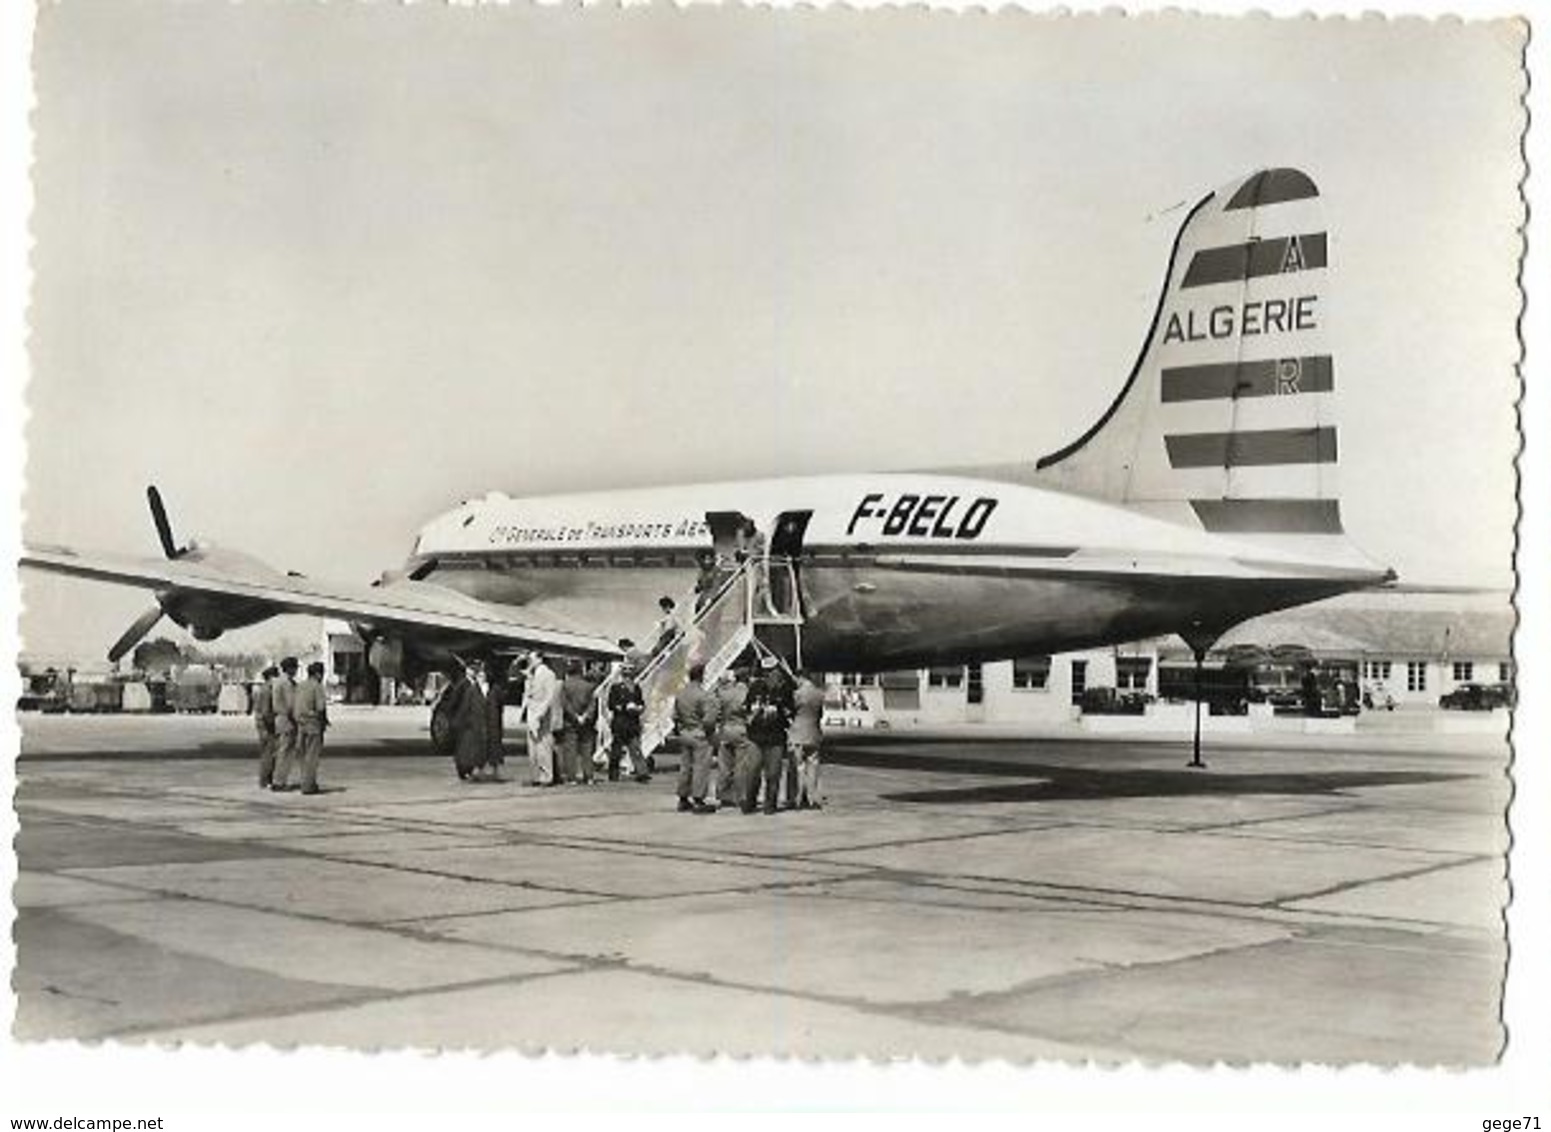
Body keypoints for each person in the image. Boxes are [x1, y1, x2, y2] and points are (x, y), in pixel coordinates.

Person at [745, 655, 795, 814]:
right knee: (753, 771)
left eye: (772, 671)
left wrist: (780, 710)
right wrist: (754, 712)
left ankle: (770, 803)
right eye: (766, 672)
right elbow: (746, 708)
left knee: (773, 773)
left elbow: (791, 711)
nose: (769, 675)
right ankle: (750, 801)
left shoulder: (785, 689)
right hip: (756, 736)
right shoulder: (755, 688)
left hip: (776, 737)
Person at [672, 663, 718, 813]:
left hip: (685, 733)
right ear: (701, 676)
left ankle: (683, 798)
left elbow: (675, 716)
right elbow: (709, 720)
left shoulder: (681, 694)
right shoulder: (704, 695)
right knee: (700, 767)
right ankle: (698, 798)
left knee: (685, 767)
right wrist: (709, 733)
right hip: (699, 734)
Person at [435, 661, 489, 782]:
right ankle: (463, 770)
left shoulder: (473, 684)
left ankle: (469, 770)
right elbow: (454, 702)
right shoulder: (462, 684)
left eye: (475, 670)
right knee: (462, 747)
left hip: (471, 720)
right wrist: (454, 719)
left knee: (469, 747)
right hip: (463, 720)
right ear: (467, 670)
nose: (474, 672)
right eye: (472, 669)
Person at [712, 662, 755, 811]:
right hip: (741, 729)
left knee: (724, 766)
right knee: (741, 766)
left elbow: (716, 712)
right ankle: (740, 796)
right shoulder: (748, 692)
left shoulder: (724, 692)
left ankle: (723, 795)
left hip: (725, 730)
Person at [606, 659, 648, 782]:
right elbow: (611, 704)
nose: (628, 674)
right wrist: (625, 707)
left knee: (636, 749)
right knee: (616, 751)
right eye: (626, 671)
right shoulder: (616, 688)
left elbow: (641, 702)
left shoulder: (636, 688)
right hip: (620, 721)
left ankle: (642, 773)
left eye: (630, 671)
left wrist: (640, 707)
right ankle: (613, 774)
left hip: (633, 722)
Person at [558, 659, 598, 784]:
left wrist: (575, 716)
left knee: (571, 750)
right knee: (587, 750)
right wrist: (586, 716)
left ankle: (572, 777)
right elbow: (593, 704)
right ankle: (589, 776)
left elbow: (565, 704)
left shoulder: (565, 685)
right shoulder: (589, 686)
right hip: (586, 722)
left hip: (570, 722)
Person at [522, 653, 560, 786]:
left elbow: (549, 697)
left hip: (541, 714)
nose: (529, 661)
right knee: (532, 748)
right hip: (531, 713)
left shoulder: (548, 674)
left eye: (531, 659)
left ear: (539, 659)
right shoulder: (531, 674)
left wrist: (540, 714)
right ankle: (536, 776)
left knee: (543, 746)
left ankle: (547, 776)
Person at [293, 661, 330, 795]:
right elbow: (320, 708)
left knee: (302, 756)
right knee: (312, 756)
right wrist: (324, 722)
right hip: (313, 724)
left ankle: (306, 782)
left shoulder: (300, 686)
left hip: (300, 724)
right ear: (318, 674)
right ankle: (308, 786)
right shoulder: (317, 687)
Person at [790, 670, 826, 809]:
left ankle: (799, 798)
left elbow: (792, 711)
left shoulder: (797, 694)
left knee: (799, 767)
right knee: (813, 767)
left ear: (801, 678)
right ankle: (813, 799)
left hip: (798, 733)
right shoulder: (819, 693)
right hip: (814, 733)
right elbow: (821, 714)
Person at [268, 657, 301, 791]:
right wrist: (298, 719)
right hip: (287, 720)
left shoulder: (278, 682)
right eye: (295, 667)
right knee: (285, 752)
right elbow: (290, 704)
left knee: (281, 751)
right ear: (290, 668)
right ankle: (279, 781)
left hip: (280, 719)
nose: (297, 670)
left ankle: (277, 779)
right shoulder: (287, 683)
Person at [253, 665, 279, 788]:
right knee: (268, 753)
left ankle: (266, 779)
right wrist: (272, 725)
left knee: (268, 753)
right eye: (276, 676)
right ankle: (265, 780)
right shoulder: (267, 690)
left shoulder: (264, 689)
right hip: (266, 726)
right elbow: (265, 712)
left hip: (262, 724)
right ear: (271, 677)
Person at [481, 659, 508, 781]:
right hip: (489, 721)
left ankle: (496, 771)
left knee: (494, 747)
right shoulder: (486, 689)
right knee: (488, 746)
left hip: (493, 722)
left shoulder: (495, 689)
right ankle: (489, 770)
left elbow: (500, 704)